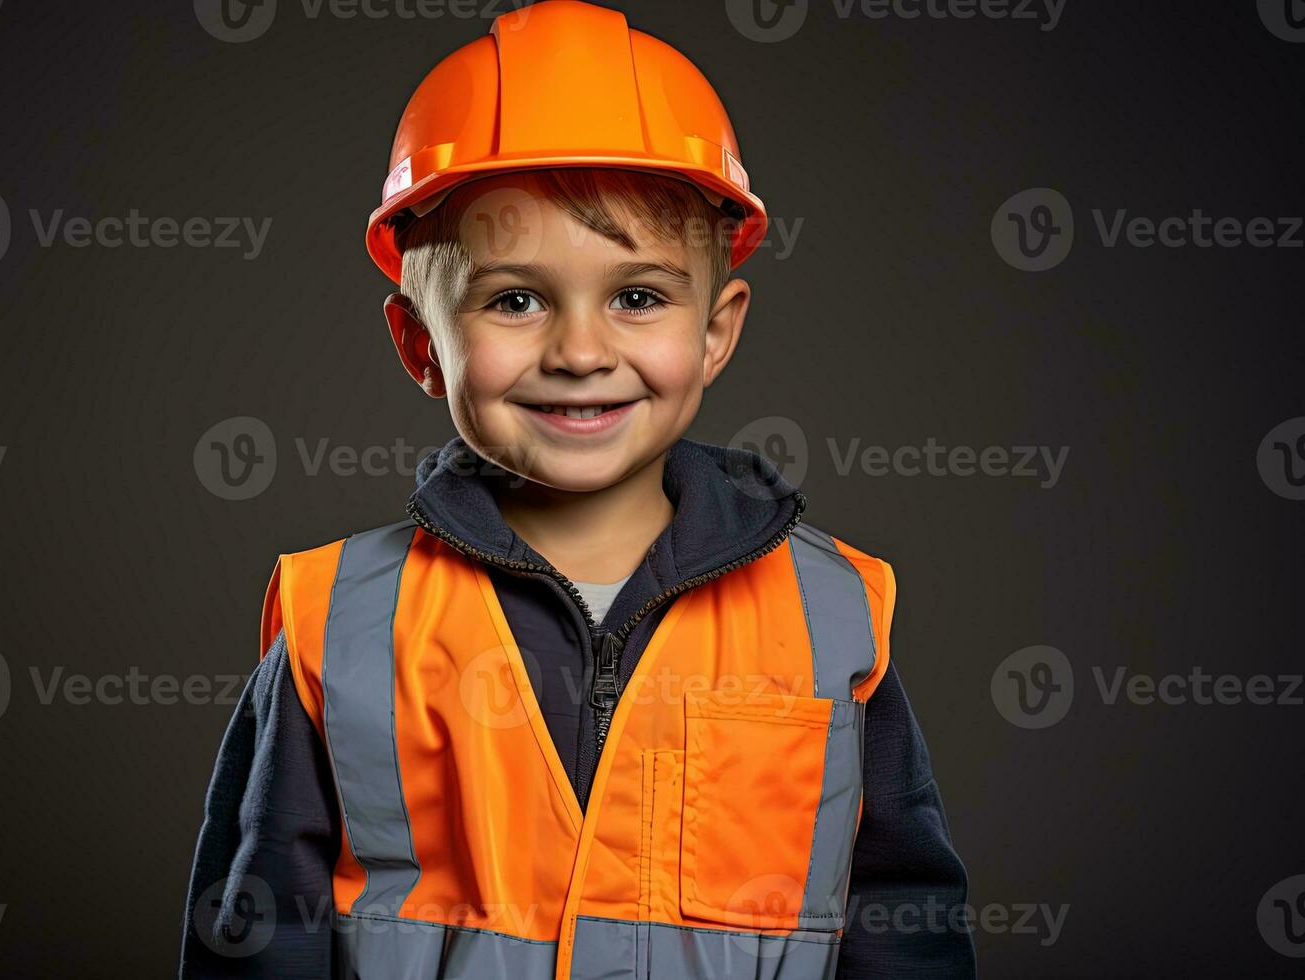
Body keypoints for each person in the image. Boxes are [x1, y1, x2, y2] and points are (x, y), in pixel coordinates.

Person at [180, 2, 974, 976]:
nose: (581, 350)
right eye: (514, 299)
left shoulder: (835, 613)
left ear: (717, 329)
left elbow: (904, 924)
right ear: (420, 344)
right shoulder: (336, 618)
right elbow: (257, 934)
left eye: (637, 296)